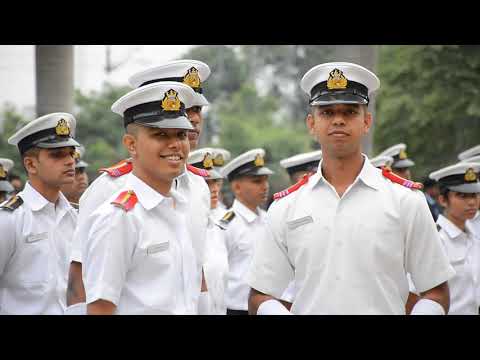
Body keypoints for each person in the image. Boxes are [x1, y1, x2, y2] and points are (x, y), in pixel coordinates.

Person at [247, 62, 455, 315]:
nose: (338, 120)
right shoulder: (287, 207)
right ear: (311, 124)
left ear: (366, 121)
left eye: (349, 112)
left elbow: (436, 290)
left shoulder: (405, 200)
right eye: (327, 112)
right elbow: (261, 294)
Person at [66, 60, 212, 314]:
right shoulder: (111, 197)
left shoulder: (195, 191)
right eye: (161, 133)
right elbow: (83, 281)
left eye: (196, 109)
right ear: (132, 143)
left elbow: (194, 274)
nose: (195, 120)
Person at [0, 113, 79, 314]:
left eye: (71, 153)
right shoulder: (9, 219)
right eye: (57, 154)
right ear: (31, 164)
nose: (70, 161)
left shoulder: (76, 217)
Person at [220, 148, 274, 315]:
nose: (265, 187)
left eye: (266, 180)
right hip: (236, 308)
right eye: (257, 181)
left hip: (266, 307)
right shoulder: (226, 224)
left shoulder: (269, 219)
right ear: (236, 187)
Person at [427, 162, 480, 314]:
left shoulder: (474, 236)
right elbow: (415, 294)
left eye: (474, 195)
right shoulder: (436, 240)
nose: (471, 202)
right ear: (442, 200)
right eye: (462, 196)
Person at [188, 148, 229, 314]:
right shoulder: (183, 226)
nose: (214, 189)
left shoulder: (215, 225)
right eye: (207, 183)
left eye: (215, 182)